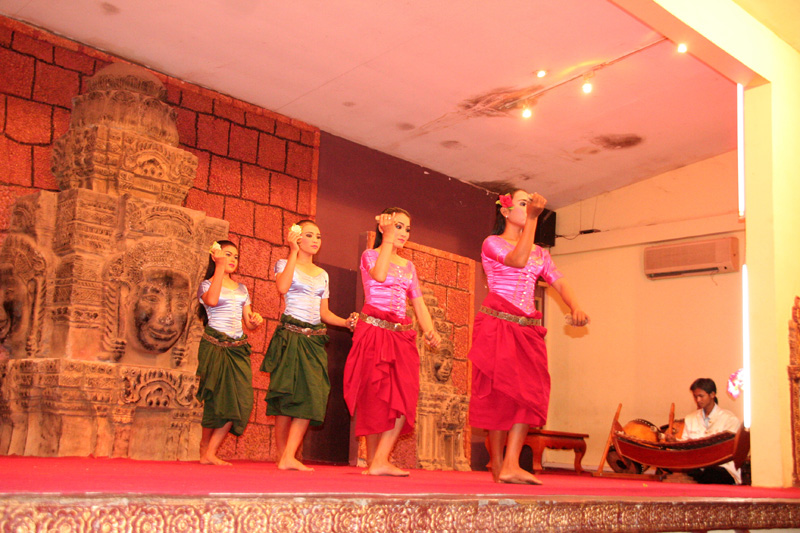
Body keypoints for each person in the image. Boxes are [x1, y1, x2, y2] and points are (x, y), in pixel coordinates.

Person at [469, 189, 589, 484]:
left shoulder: (541, 253)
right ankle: (498, 465)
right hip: (498, 324)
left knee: (532, 392)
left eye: (530, 205)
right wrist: (534, 219)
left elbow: (559, 282)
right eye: (523, 203)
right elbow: (517, 259)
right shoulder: (492, 243)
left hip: (528, 329)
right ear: (505, 211)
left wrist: (575, 306)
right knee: (499, 397)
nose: (529, 207)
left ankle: (511, 462)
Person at [343, 208, 442, 476]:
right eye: (398, 226)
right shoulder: (370, 255)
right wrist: (386, 240)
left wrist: (429, 329)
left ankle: (380, 460)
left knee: (405, 396)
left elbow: (418, 302)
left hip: (400, 336)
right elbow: (379, 275)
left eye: (407, 229)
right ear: (383, 227)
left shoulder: (409, 267)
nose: (403, 233)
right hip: (373, 332)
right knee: (374, 398)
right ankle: (376, 461)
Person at [261, 220, 358, 471]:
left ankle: (289, 455)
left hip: (314, 340)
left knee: (314, 394)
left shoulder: (323, 274)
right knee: (286, 397)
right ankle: (284, 456)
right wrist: (292, 251)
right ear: (297, 237)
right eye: (309, 235)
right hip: (290, 336)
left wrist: (346, 323)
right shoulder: (284, 263)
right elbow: (282, 287)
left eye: (319, 236)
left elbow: (324, 313)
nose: (315, 240)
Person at [196, 240, 263, 465]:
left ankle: (210, 451)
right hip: (214, 346)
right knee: (216, 400)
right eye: (227, 254)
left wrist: (255, 320)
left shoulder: (242, 289)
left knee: (241, 400)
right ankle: (206, 450)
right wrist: (218, 267)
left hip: (237, 349)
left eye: (235, 256)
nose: (232, 259)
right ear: (215, 256)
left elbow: (249, 322)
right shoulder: (206, 285)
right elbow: (212, 300)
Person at [680, 377, 742, 484]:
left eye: (701, 396)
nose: (698, 400)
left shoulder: (729, 419)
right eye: (695, 396)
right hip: (697, 467)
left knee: (711, 473)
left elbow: (730, 450)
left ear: (712, 395)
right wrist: (675, 442)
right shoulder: (690, 419)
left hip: (722, 469)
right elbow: (684, 446)